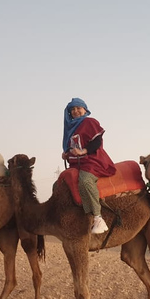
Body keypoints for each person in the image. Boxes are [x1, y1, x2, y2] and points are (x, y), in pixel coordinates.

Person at [62, 97, 116, 234]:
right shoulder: (70, 128)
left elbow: (97, 141)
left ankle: (98, 218)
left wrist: (83, 151)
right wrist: (67, 154)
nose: (75, 111)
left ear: (85, 109)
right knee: (61, 184)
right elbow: (74, 146)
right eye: (72, 109)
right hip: (76, 163)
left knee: (85, 181)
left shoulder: (89, 122)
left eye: (78, 108)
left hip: (92, 160)